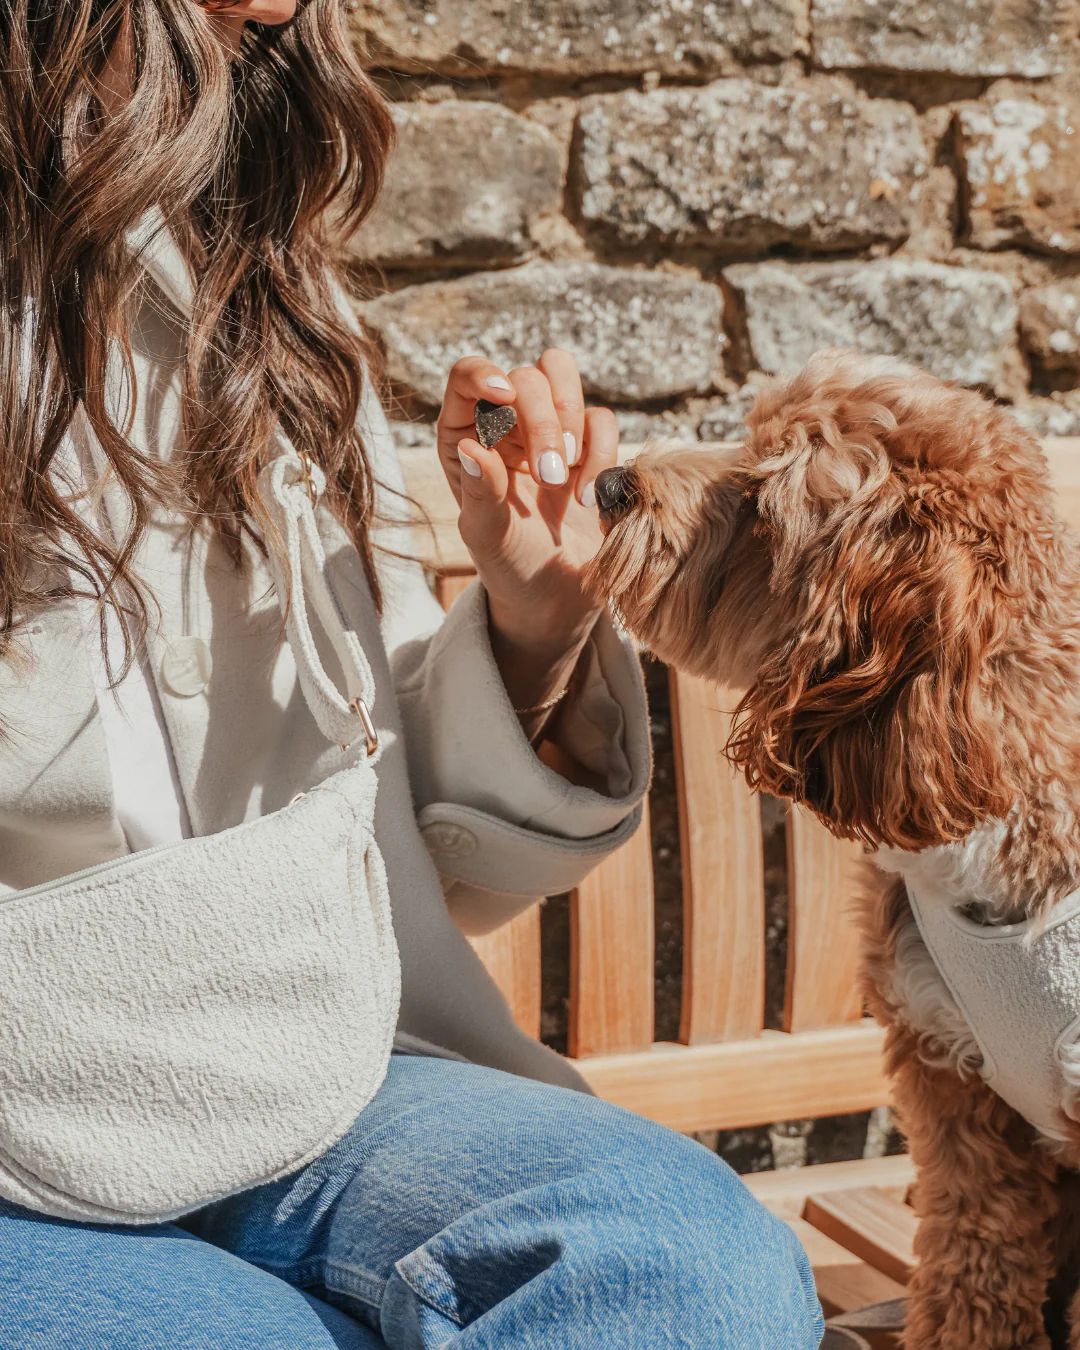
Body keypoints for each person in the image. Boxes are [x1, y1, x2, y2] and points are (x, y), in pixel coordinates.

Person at [0, 2, 824, 1346]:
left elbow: (396, 850)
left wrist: (534, 622)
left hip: (320, 1066)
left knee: (686, 1267)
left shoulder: (267, 276)